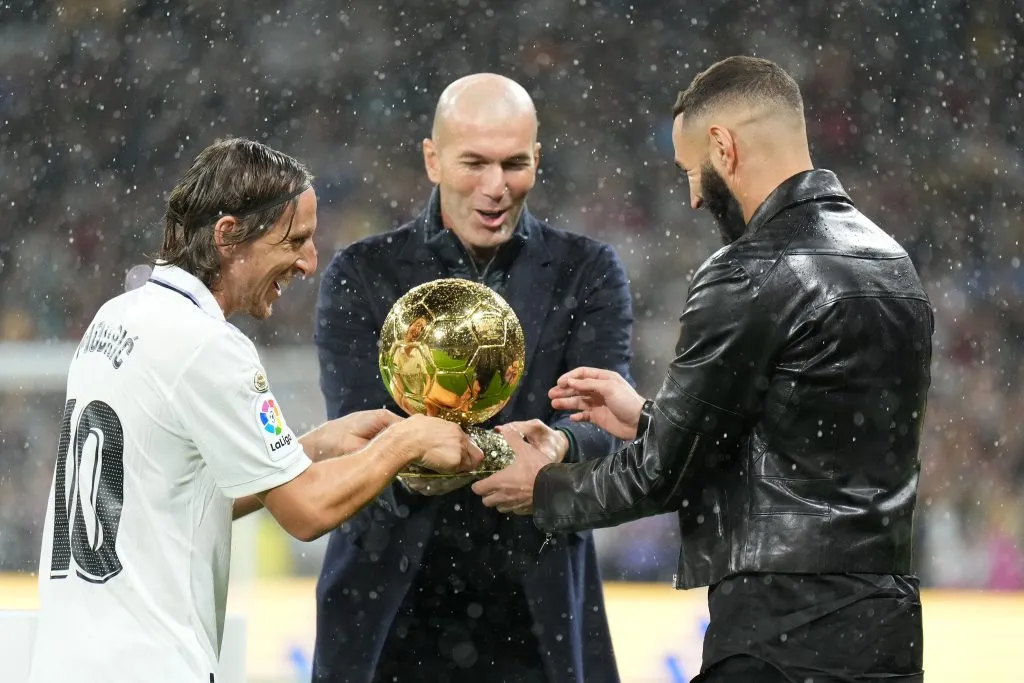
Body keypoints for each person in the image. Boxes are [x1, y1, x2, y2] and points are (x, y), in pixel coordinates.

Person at [474, 56, 934, 683]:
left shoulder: (749, 269)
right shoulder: (892, 264)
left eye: (691, 171)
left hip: (779, 634)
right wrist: (648, 419)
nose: (692, 196)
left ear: (723, 146)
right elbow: (812, 443)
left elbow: (663, 475)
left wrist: (545, 488)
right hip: (888, 627)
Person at [28, 138, 482, 683]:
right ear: (228, 236)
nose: (310, 263)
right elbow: (306, 512)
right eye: (295, 241)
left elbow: (179, 496)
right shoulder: (208, 346)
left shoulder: (118, 317)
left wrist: (309, 448)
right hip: (149, 664)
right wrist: (407, 440)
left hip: (67, 658)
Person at [312, 74, 632, 683]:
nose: (496, 187)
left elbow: (607, 426)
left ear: (537, 159)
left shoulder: (586, 271)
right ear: (432, 159)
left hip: (535, 610)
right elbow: (361, 434)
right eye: (474, 163)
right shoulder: (363, 272)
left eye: (514, 164)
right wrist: (491, 454)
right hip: (388, 601)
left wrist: (557, 445)